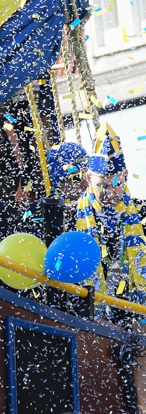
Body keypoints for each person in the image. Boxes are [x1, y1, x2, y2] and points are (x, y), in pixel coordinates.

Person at [76, 123, 146, 322]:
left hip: (136, 313)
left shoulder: (142, 212)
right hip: (91, 317)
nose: (110, 193)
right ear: (88, 177)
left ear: (126, 176)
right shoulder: (72, 218)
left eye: (116, 184)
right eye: (102, 186)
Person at [47, 141, 89, 230]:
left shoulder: (98, 209)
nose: (86, 184)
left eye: (88, 176)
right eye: (77, 178)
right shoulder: (46, 214)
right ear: (59, 182)